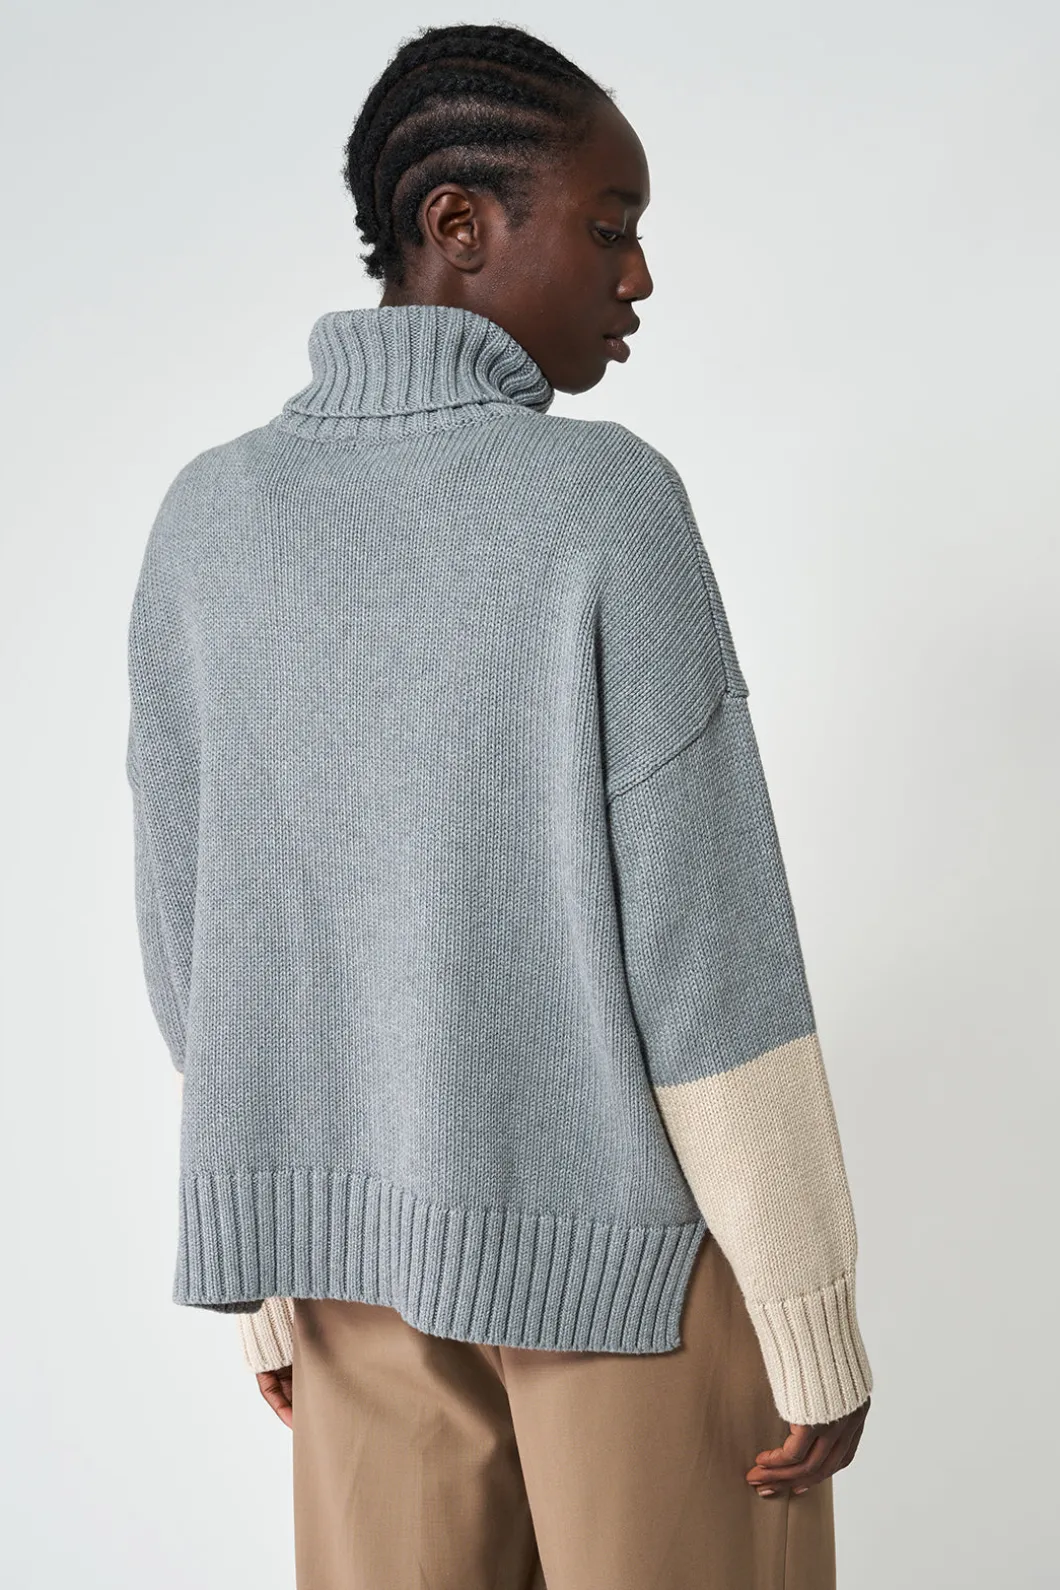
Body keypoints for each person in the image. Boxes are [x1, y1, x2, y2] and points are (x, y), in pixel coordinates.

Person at [126, 20, 872, 1589]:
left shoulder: (208, 519)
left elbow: (196, 944)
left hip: (353, 1275)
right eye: (610, 225)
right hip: (635, 1278)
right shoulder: (606, 505)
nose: (639, 275)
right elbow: (710, 954)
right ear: (457, 222)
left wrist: (270, 1262)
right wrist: (809, 1309)